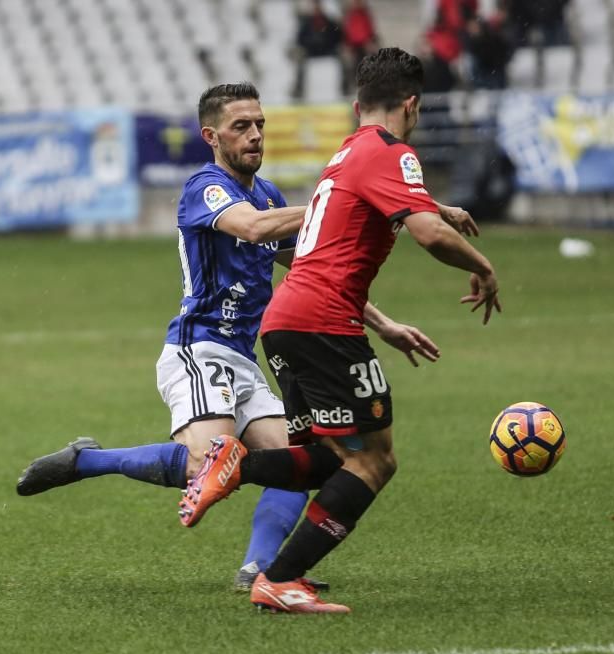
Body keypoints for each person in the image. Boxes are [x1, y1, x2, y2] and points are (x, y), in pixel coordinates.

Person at [15, 82, 444, 592]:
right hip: (198, 350)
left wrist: (385, 323)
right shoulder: (206, 186)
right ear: (212, 136)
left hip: (247, 357)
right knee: (208, 461)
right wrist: (344, 203)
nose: (255, 135)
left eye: (260, 124)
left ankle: (259, 570)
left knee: (302, 462)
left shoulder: (268, 193)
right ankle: (87, 461)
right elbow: (257, 229)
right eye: (242, 126)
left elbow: (308, 268)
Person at [177, 48, 501, 614]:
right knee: (376, 459)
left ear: (357, 106)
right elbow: (427, 233)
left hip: (287, 322)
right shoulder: (391, 152)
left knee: (328, 459)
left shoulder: (348, 153)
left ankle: (233, 471)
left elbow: (345, 231)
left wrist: (387, 324)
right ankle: (279, 576)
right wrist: (483, 266)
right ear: (413, 105)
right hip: (325, 323)